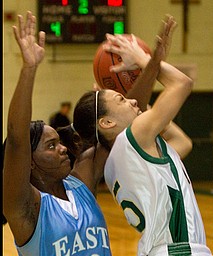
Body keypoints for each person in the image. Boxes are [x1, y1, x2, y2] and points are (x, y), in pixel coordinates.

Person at [69, 15, 212, 255]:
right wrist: (144, 61)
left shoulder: (120, 158)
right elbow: (182, 84)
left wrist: (154, 66)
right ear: (106, 122)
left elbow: (182, 143)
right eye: (121, 99)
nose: (133, 100)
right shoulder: (132, 138)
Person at [3, 11, 112, 255]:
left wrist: (151, 64)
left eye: (58, 143)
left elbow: (119, 129)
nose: (63, 148)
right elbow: (17, 141)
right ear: (29, 162)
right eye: (51, 146)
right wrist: (29, 68)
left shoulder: (80, 185)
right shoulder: (26, 208)